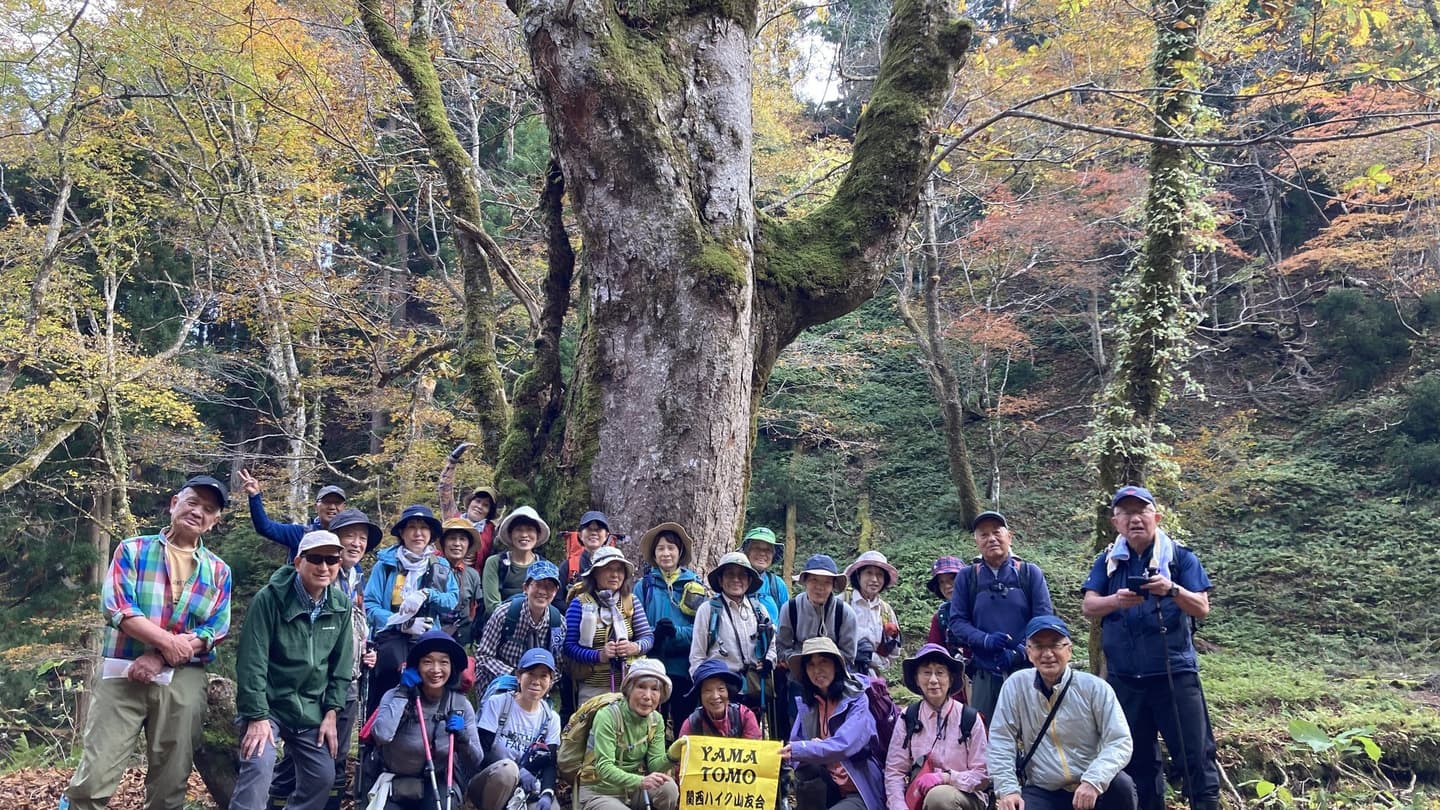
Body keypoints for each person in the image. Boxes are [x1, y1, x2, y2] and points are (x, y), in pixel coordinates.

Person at [61, 476, 233, 810]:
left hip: (183, 678)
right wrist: (167, 644)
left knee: (170, 782)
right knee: (94, 776)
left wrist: (160, 657)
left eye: (208, 509)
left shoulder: (219, 571)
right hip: (122, 671)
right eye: (192, 502)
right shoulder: (132, 550)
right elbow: (118, 608)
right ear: (174, 504)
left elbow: (215, 629)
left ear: (214, 521)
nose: (198, 512)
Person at [1081, 485, 1220, 810]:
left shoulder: (1180, 557)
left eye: (1141, 511)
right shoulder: (1108, 561)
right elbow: (1089, 606)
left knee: (1195, 757)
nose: (1135, 519)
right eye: (1126, 513)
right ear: (1116, 522)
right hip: (1126, 680)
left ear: (1156, 517)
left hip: (1175, 675)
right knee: (1136, 762)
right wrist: (1116, 601)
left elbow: (1202, 607)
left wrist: (1172, 590)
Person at [232, 531, 355, 810]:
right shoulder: (269, 599)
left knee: (322, 776)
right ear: (299, 562)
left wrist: (332, 712)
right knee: (258, 765)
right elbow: (252, 661)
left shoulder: (340, 605)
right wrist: (256, 715)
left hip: (310, 708)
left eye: (332, 560)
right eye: (316, 559)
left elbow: (341, 666)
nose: (324, 567)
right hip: (270, 706)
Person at [269, 509, 380, 804]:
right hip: (318, 683)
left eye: (362, 538)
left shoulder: (357, 578)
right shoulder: (323, 575)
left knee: (337, 754)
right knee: (300, 756)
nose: (357, 543)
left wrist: (366, 650)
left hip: (350, 679)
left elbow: (357, 626)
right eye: (349, 536)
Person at [987, 616, 1136, 810]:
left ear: (1069, 650)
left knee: (1122, 786)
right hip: (1044, 789)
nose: (1047, 654)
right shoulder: (1016, 686)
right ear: (1029, 652)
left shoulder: (1095, 688)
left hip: (1091, 784)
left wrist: (1094, 780)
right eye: (1039, 646)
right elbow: (1001, 739)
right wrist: (1008, 790)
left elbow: (1120, 740)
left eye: (1055, 645)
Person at [947, 510, 1055, 723]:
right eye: (984, 534)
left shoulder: (1029, 573)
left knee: (1033, 729)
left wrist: (1019, 652)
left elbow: (1044, 620)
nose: (991, 539)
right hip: (985, 671)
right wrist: (985, 640)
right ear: (976, 541)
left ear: (1009, 536)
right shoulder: (967, 577)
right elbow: (957, 621)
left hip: (1028, 669)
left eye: (997, 532)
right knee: (984, 730)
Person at [369, 630, 486, 809]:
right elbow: (381, 735)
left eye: (444, 662)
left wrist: (463, 737)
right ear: (416, 666)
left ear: (452, 667)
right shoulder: (394, 695)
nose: (436, 669)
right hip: (394, 778)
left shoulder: (460, 704)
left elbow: (477, 759)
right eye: (427, 662)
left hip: (438, 781)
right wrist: (402, 694)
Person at [363, 504, 459, 717]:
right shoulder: (385, 565)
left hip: (428, 636)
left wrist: (428, 594)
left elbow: (452, 600)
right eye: (412, 527)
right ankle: (377, 731)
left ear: (431, 534)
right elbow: (370, 605)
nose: (418, 533)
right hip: (390, 638)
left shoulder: (441, 566)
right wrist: (401, 623)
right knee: (389, 681)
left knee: (432, 683)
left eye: (424, 528)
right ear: (402, 533)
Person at [779, 637, 884, 810]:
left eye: (823, 662)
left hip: (858, 788)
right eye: (811, 665)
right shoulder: (809, 703)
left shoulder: (857, 700)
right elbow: (796, 745)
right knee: (806, 769)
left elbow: (845, 744)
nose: (817, 670)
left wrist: (809, 748)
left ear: (836, 665)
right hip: (829, 784)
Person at [884, 644, 989, 810]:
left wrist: (946, 778)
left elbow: (983, 775)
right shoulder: (908, 717)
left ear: (950, 679)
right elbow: (894, 771)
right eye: (926, 673)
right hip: (919, 798)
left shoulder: (969, 718)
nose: (933, 680)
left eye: (940, 673)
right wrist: (899, 806)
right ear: (917, 679)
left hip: (966, 797)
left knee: (939, 797)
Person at [688, 552, 777, 731]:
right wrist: (704, 688)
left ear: (749, 580)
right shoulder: (708, 610)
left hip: (753, 687)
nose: (736, 580)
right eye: (730, 574)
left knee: (749, 736)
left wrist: (769, 661)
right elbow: (697, 656)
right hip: (720, 690)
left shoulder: (759, 610)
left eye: (742, 575)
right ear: (720, 580)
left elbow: (772, 644)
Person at [575, 658, 678, 810]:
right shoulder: (607, 716)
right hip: (600, 791)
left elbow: (655, 766)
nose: (647, 696)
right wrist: (640, 781)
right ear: (629, 689)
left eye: (655, 689)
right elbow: (604, 768)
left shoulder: (656, 720)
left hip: (634, 791)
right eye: (641, 687)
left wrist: (672, 756)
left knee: (669, 789)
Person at [633, 522, 706, 730]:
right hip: (651, 667)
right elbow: (634, 626)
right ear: (654, 554)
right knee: (650, 726)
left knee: (685, 725)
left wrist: (676, 633)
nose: (666, 553)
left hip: (683, 669)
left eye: (671, 548)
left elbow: (701, 630)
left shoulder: (694, 586)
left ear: (679, 551)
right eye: (661, 548)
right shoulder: (643, 586)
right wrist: (654, 635)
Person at [470, 648, 563, 810]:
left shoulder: (551, 718)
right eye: (531, 674)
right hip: (490, 781)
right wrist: (519, 772)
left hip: (526, 788)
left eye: (543, 676)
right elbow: (482, 752)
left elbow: (550, 761)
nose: (536, 681)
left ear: (550, 682)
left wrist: (547, 793)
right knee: (508, 770)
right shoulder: (498, 703)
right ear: (519, 676)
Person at [563, 546, 655, 704]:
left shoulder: (631, 601)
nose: (615, 575)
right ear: (595, 573)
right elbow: (569, 647)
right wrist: (599, 656)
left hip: (630, 684)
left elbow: (647, 637)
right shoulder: (579, 604)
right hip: (593, 688)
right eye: (608, 569)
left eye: (619, 570)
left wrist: (634, 647)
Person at [475, 560, 566, 684]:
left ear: (556, 591)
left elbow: (558, 666)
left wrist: (542, 683)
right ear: (525, 588)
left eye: (549, 586)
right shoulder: (504, 614)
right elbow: (483, 656)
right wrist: (516, 676)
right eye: (537, 584)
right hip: (499, 679)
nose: (542, 591)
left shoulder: (558, 624)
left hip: (537, 685)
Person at [238, 468, 347, 557]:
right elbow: (265, 527)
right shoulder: (300, 534)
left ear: (344, 508)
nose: (332, 507)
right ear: (316, 507)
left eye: (337, 503)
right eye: (327, 502)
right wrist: (254, 496)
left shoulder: (349, 538)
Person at [483, 505, 552, 622]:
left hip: (535, 625)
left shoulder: (544, 566)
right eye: (519, 529)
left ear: (537, 534)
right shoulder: (495, 563)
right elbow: (492, 606)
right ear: (510, 534)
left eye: (530, 529)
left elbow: (546, 604)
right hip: (499, 624)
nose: (524, 535)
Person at [436, 441, 500, 567]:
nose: (479, 506)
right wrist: (453, 460)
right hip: (442, 570)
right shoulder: (453, 517)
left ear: (489, 511)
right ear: (470, 502)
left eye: (486, 505)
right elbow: (444, 490)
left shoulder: (492, 531)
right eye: (477, 501)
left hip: (471, 576)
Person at [844, 550, 903, 678]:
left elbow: (894, 652)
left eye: (879, 574)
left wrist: (873, 660)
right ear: (858, 575)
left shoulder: (886, 611)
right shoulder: (842, 603)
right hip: (841, 675)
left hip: (873, 679)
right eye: (869, 573)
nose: (874, 579)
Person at [676, 658, 762, 739]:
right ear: (700, 695)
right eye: (708, 690)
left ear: (728, 691)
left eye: (721, 689)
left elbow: (754, 747)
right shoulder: (692, 723)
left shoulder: (744, 716)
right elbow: (683, 748)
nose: (715, 696)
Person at [437, 517, 485, 643]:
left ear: (468, 545)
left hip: (463, 638)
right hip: (434, 633)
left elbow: (476, 607)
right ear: (443, 543)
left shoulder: (472, 575)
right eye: (452, 538)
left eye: (462, 539)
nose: (457, 543)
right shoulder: (431, 568)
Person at [558, 510, 615, 601]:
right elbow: (557, 600)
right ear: (580, 535)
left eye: (599, 529)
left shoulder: (615, 565)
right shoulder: (568, 566)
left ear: (606, 536)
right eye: (589, 529)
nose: (594, 533)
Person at [741, 526, 789, 623]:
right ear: (747, 551)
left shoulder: (777, 584)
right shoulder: (734, 580)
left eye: (768, 550)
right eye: (757, 548)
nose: (762, 553)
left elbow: (788, 621)